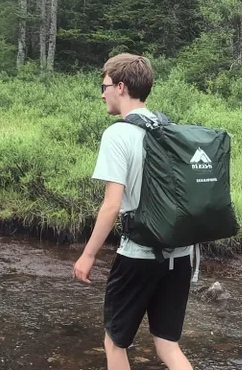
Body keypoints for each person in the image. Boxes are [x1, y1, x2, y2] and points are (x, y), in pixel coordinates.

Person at [72, 53, 195, 370]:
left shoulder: (118, 134)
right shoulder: (169, 130)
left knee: (114, 342)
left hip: (138, 255)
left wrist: (88, 255)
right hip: (179, 255)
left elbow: (112, 204)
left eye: (105, 86)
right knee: (168, 347)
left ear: (121, 87)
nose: (102, 93)